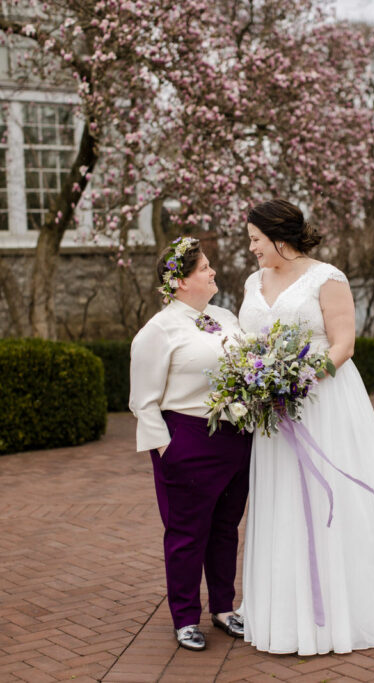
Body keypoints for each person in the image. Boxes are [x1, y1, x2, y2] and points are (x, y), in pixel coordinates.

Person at [238, 199, 374, 655]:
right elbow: (246, 342)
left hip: (324, 402)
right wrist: (255, 380)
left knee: (330, 497)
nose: (251, 248)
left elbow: (343, 345)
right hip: (274, 411)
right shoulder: (254, 281)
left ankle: (346, 611)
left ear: (279, 236)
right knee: (283, 501)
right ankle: (286, 614)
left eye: (256, 239)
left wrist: (297, 380)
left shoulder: (327, 278)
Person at [128, 237, 251, 651]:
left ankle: (223, 608)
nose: (213, 271)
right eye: (204, 268)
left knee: (225, 529)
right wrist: (170, 452)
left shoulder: (225, 317)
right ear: (180, 281)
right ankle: (184, 619)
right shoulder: (158, 330)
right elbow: (142, 401)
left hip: (237, 438)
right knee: (186, 534)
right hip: (190, 439)